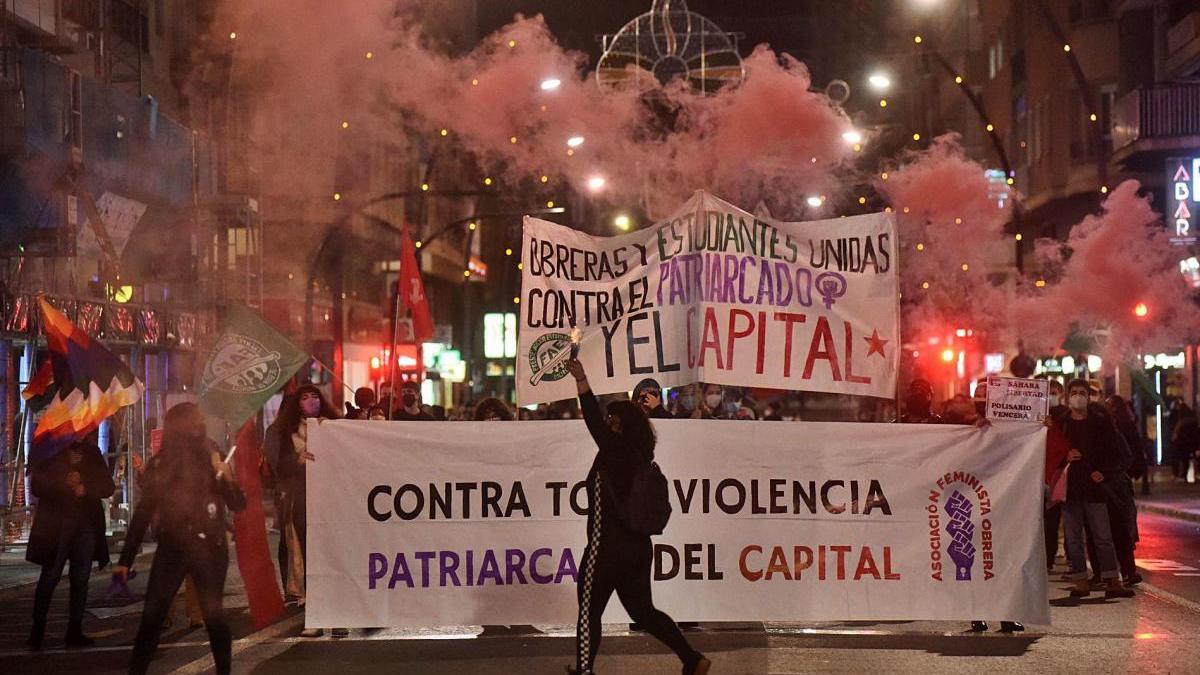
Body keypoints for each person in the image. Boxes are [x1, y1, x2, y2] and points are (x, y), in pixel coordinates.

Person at [565, 357, 710, 675]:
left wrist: (582, 381)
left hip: (604, 550)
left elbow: (591, 418)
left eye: (611, 419)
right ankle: (692, 658)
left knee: (589, 611)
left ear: (618, 425)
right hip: (638, 549)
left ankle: (585, 671)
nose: (607, 422)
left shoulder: (613, 451)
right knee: (644, 612)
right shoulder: (641, 456)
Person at [113, 403, 246, 675]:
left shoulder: (212, 457)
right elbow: (144, 511)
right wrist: (125, 559)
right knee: (153, 615)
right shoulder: (162, 464)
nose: (198, 427)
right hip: (172, 547)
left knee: (214, 617)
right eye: (193, 422)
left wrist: (228, 477)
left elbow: (238, 505)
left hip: (209, 548)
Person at [27, 436, 115, 649]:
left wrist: (85, 488)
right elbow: (37, 485)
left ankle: (75, 630)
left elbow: (107, 487)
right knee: (50, 576)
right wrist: (65, 485)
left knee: (81, 578)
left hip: (85, 525)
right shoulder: (50, 451)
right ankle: (37, 629)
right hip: (57, 526)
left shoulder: (92, 453)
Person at [271, 384, 345, 637]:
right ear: (297, 404)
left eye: (315, 396)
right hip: (302, 501)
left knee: (333, 558)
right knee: (311, 559)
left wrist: (332, 432)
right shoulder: (287, 432)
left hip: (331, 501)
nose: (311, 400)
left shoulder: (334, 426)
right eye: (305, 397)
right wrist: (297, 461)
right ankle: (314, 615)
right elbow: (279, 467)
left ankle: (338, 617)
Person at [1059, 379, 1135, 599]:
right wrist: (1064, 456)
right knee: (1073, 539)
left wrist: (1105, 472)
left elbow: (1116, 453)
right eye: (1074, 393)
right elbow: (1050, 450)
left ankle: (1112, 580)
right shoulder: (1062, 423)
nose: (1078, 396)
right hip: (1070, 489)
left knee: (1103, 536)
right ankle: (1081, 581)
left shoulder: (1101, 423)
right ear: (1067, 396)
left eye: (1082, 392)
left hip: (1095, 489)